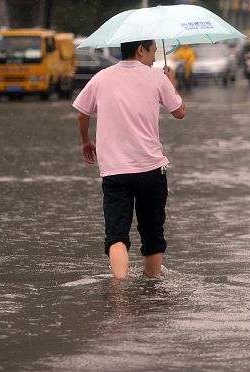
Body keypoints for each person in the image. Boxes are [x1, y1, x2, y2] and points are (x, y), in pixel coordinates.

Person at [73, 39, 186, 280]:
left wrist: (86, 141)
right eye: (153, 51)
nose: (155, 58)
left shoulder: (101, 78)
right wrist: (171, 83)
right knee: (152, 234)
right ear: (140, 50)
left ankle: (119, 291)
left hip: (114, 172)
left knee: (116, 236)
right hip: (151, 170)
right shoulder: (157, 78)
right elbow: (180, 112)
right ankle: (152, 285)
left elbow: (82, 113)